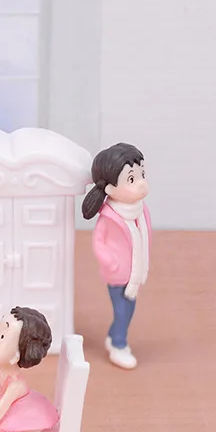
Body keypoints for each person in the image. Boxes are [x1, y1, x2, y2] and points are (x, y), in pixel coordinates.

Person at [81, 143, 151, 369]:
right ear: (110, 189)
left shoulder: (140, 210)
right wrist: (110, 262)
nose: (141, 182)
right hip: (118, 273)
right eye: (131, 179)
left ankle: (114, 336)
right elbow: (98, 242)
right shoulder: (110, 216)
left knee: (129, 308)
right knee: (122, 310)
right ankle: (119, 345)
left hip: (134, 271)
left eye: (142, 174)